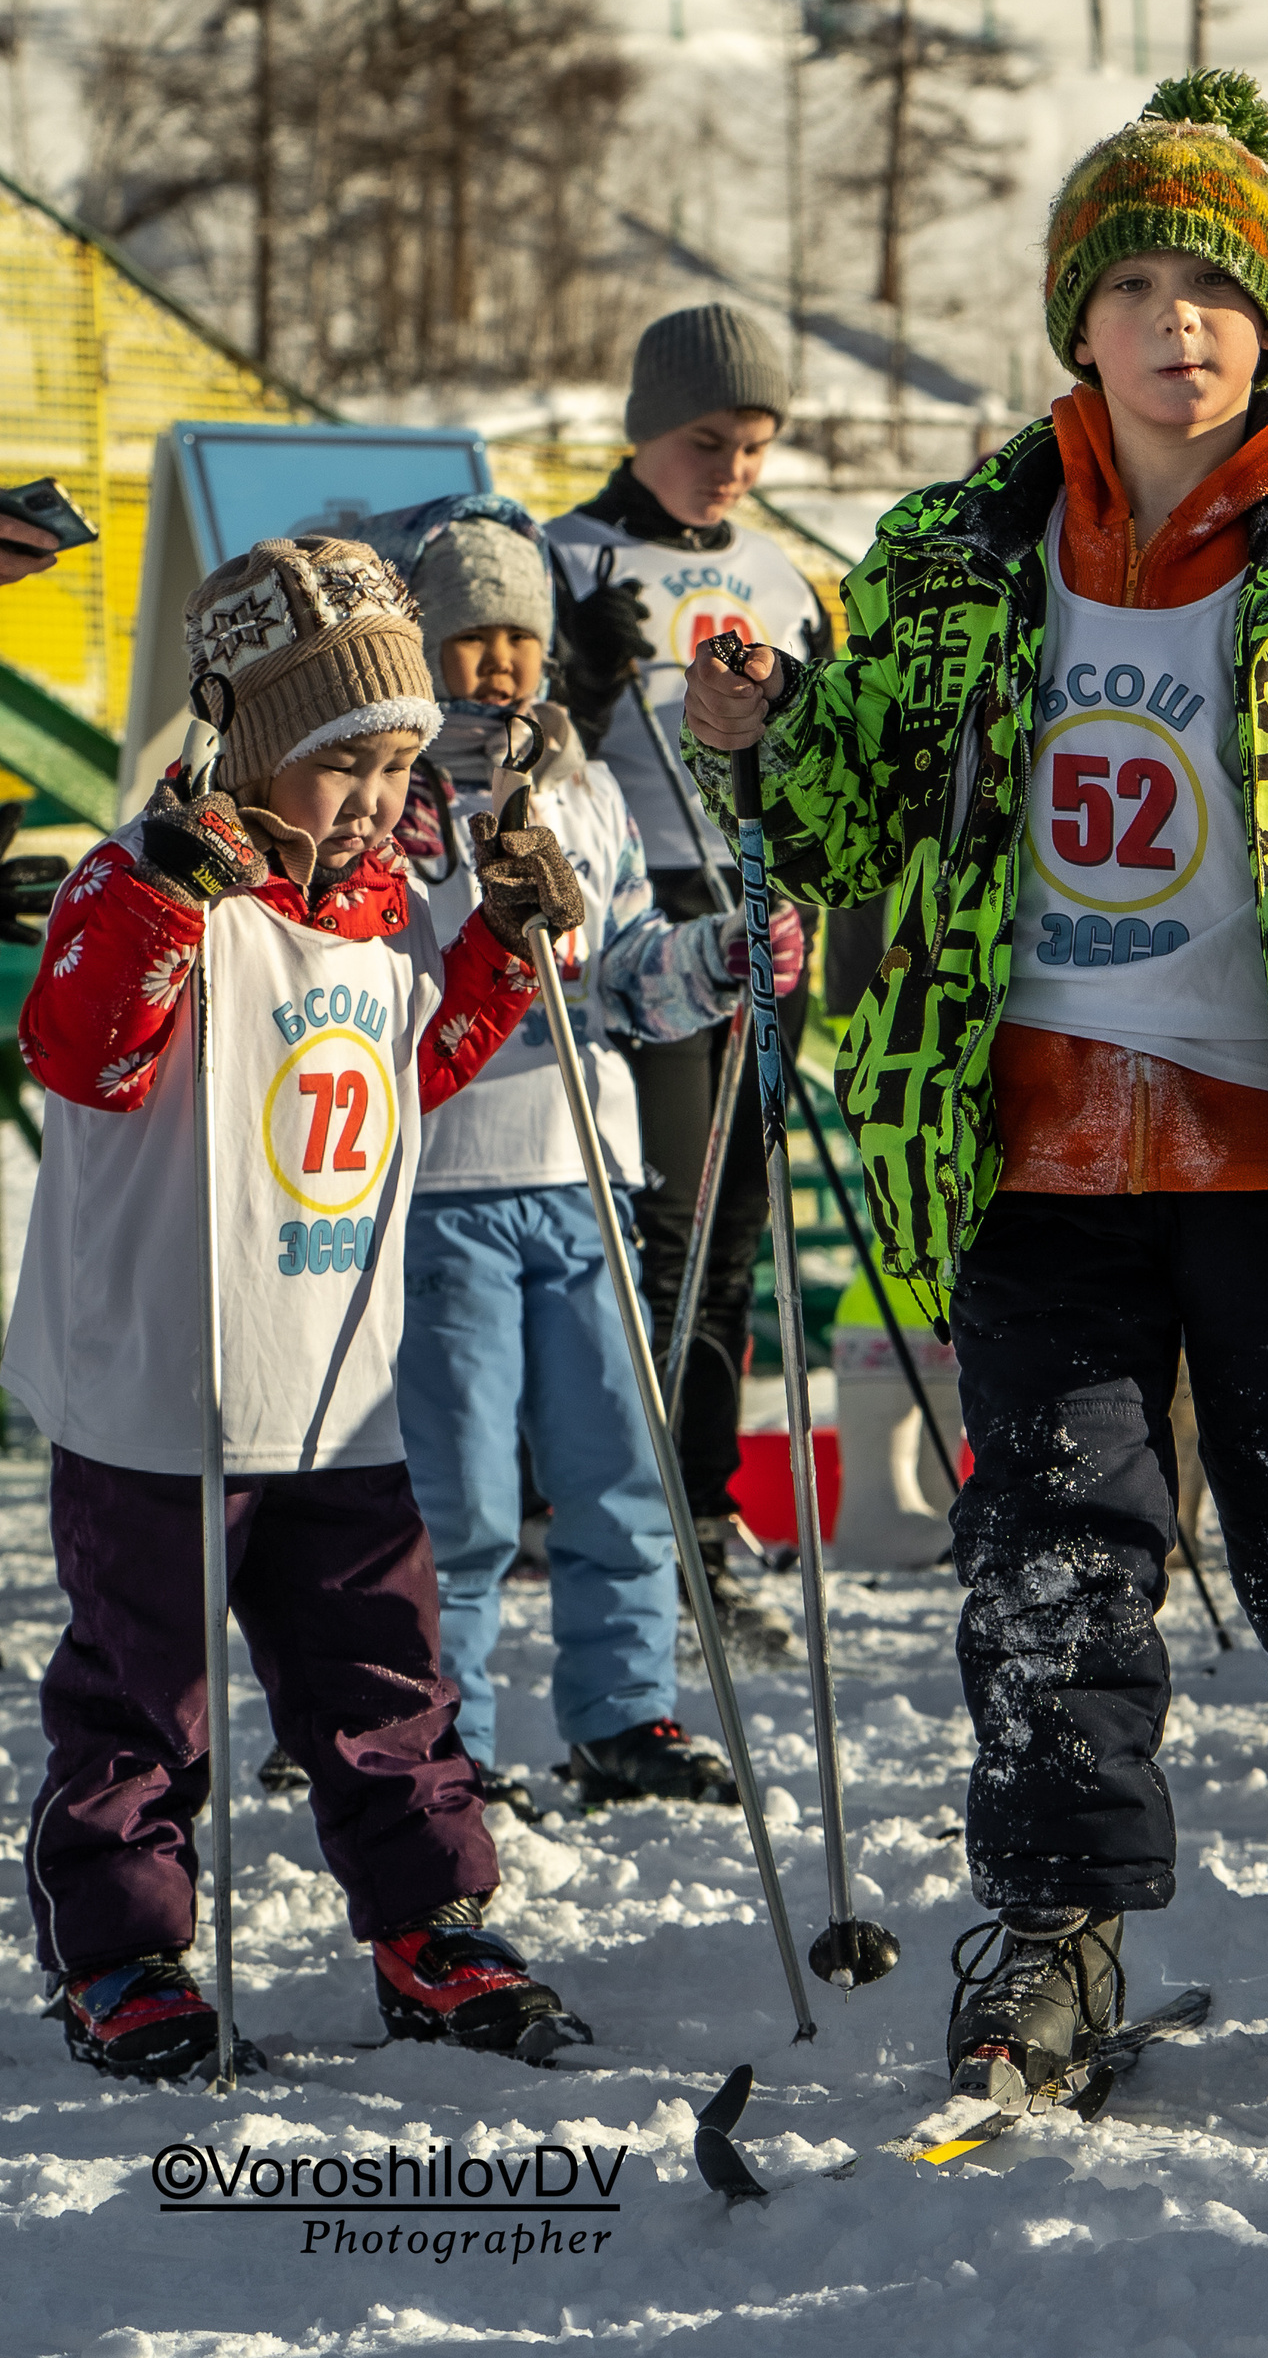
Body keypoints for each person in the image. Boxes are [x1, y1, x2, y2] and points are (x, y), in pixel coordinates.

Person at [680, 71, 1268, 2127]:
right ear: (1079, 319)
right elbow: (846, 814)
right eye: (1133, 284)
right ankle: (1051, 1928)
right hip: (1030, 1144)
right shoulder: (959, 556)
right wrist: (751, 740)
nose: (1176, 328)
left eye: (1214, 292)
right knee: (1048, 1566)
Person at [7, 535, 591, 2077]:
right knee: (147, 1694)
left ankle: (427, 1923)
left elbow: (408, 1079)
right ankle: (124, 1951)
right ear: (256, 747)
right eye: (348, 762)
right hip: (163, 1387)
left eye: (402, 762)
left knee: (385, 1682)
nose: (385, 794)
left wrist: (505, 952)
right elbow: (83, 1055)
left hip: (335, 1377)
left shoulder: (383, 913)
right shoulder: (141, 881)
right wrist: (163, 901)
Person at [355, 494, 805, 1809]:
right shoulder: (397, 800)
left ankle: (623, 1711)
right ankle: (451, 1729)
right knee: (468, 1494)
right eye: (467, 637)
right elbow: (382, 979)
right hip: (449, 1182)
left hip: (584, 1178)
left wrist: (715, 964)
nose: (494, 663)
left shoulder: (586, 786)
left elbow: (616, 980)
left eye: (516, 638)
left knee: (617, 1466)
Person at [544, 304, 825, 1661]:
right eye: (709, 439)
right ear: (646, 426)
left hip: (754, 924)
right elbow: (521, 757)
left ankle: (703, 1513)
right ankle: (621, 1513)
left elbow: (824, 758)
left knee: (731, 1242)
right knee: (660, 1234)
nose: (734, 467)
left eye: (759, 444)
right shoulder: (567, 555)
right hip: (637, 928)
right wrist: (583, 687)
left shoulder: (775, 570)